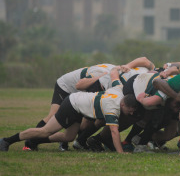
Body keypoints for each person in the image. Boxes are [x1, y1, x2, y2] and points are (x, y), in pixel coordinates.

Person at [0, 66, 139, 154]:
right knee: (45, 130)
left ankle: (35, 142)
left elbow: (114, 72)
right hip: (72, 104)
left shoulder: (119, 89)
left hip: (79, 107)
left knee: (69, 137)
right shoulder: (113, 107)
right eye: (130, 110)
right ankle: (6, 141)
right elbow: (114, 132)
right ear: (123, 105)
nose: (131, 113)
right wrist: (121, 153)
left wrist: (121, 67)